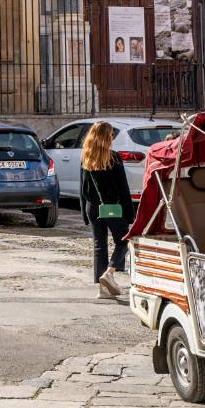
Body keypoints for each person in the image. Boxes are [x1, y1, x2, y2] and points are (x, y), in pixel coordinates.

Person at [80, 120, 134, 301]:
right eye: (110, 135)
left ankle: (101, 289)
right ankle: (109, 273)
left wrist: (84, 213)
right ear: (105, 137)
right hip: (112, 207)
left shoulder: (86, 157)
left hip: (92, 207)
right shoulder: (113, 158)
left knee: (99, 246)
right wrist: (130, 213)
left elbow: (82, 188)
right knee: (124, 241)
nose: (112, 138)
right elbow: (123, 187)